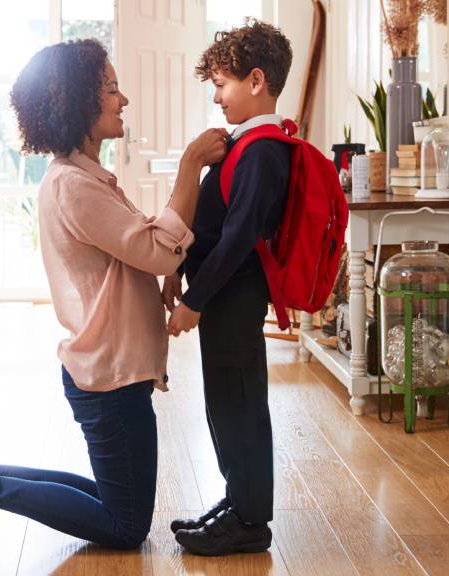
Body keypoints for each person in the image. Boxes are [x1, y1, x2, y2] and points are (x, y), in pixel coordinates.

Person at [0, 38, 228, 553]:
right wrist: (190, 166)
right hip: (110, 378)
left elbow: (139, 249)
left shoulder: (85, 178)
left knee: (116, 500)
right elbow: (158, 249)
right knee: (125, 525)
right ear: (78, 103)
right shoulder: (75, 186)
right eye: (111, 89)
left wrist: (162, 268)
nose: (124, 100)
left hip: (110, 371)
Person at [162, 19, 294, 556]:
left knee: (239, 405)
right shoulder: (245, 144)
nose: (216, 96)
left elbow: (239, 237)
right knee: (224, 402)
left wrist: (195, 301)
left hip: (234, 299)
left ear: (256, 80)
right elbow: (215, 224)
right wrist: (179, 267)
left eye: (222, 84)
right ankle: (239, 502)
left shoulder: (263, 149)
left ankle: (250, 520)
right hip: (225, 298)